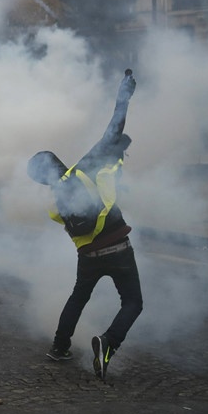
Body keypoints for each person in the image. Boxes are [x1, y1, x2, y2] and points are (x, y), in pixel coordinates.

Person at [27, 70, 141, 381]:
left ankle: (59, 346)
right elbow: (113, 129)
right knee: (133, 302)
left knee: (78, 297)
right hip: (118, 246)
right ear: (58, 162)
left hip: (88, 256)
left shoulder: (55, 202)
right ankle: (108, 344)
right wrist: (124, 96)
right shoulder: (80, 170)